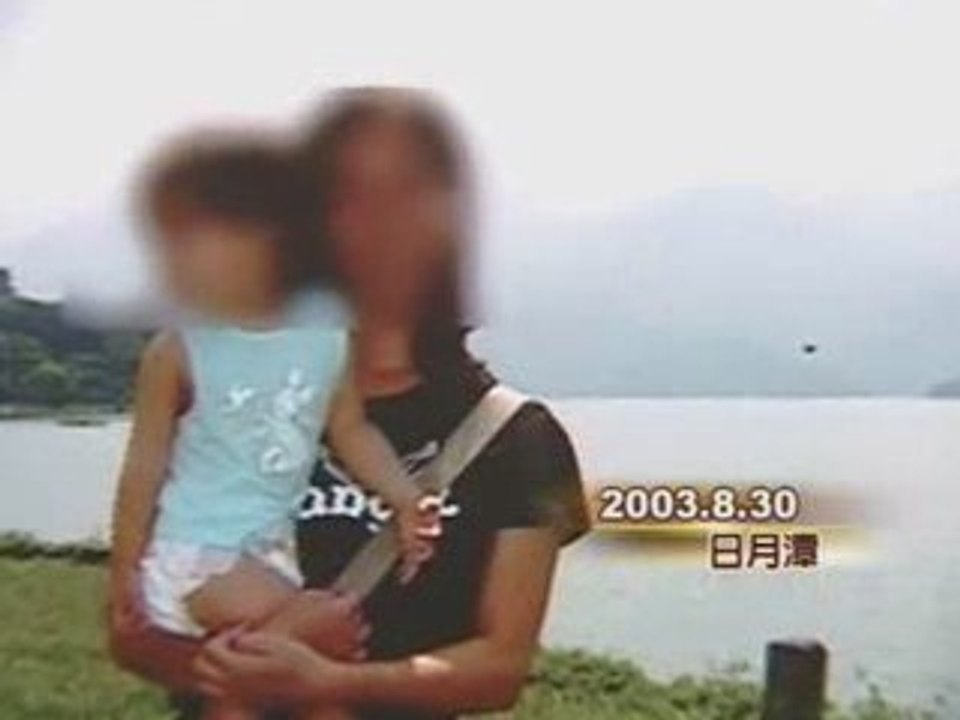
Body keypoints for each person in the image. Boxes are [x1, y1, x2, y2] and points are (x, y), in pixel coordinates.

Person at [108, 87, 590, 719]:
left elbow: (500, 669)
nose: (379, 224)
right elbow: (134, 635)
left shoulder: (521, 440)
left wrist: (329, 683)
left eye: (409, 194)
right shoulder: (225, 388)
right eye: (346, 196)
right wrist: (262, 662)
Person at [109, 134, 438, 720]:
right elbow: (144, 467)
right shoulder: (180, 348)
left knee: (282, 694)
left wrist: (406, 499)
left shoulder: (327, 340)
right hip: (198, 557)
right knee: (326, 642)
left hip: (271, 557)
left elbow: (352, 431)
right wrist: (124, 574)